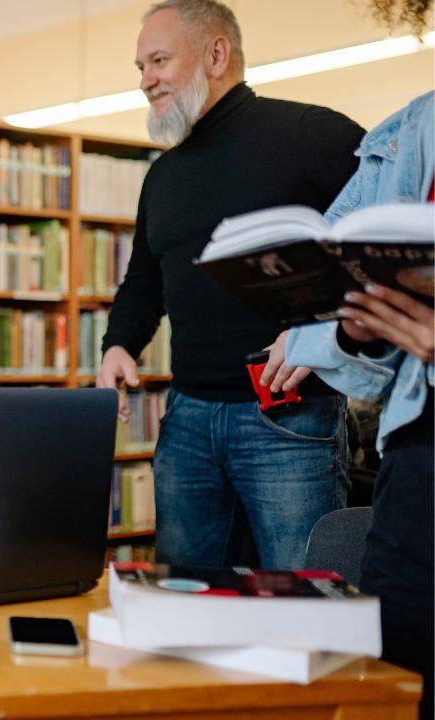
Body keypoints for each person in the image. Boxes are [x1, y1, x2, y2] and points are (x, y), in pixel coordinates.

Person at [97, 0, 366, 570]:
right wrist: (118, 344)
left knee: (306, 609)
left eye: (159, 60)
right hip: (187, 421)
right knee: (185, 606)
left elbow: (387, 252)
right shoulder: (163, 174)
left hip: (292, 420)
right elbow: (144, 282)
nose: (145, 81)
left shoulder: (314, 135)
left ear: (216, 53)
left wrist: (327, 334)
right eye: (138, 67)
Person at [279, 36, 433, 717]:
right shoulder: (407, 132)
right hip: (416, 464)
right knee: (396, 688)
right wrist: (350, 327)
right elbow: (362, 354)